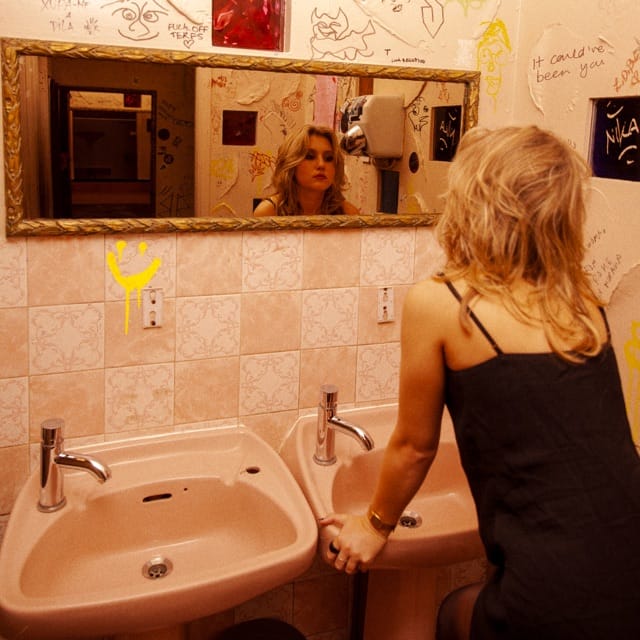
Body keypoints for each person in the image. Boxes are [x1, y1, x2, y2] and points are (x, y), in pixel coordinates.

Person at [319, 125, 640, 639]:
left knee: (455, 616)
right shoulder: (582, 301)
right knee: (457, 610)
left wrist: (374, 525)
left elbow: (414, 448)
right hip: (628, 558)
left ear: (477, 201)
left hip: (554, 588)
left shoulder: (441, 302)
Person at [253, 124, 360, 216]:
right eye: (310, 156)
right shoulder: (269, 212)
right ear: (292, 164)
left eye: (328, 158)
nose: (321, 165)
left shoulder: (349, 214)